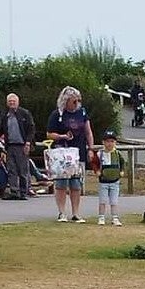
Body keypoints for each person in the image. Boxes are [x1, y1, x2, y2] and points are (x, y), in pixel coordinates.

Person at [46, 86, 95, 223]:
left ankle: (76, 213)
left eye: (78, 101)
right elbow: (49, 134)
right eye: (74, 101)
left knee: (76, 184)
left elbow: (88, 132)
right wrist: (62, 136)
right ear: (66, 101)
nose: (77, 103)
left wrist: (90, 148)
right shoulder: (57, 114)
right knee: (61, 184)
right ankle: (62, 212)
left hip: (78, 152)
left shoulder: (82, 113)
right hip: (62, 152)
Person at [0, 93, 35, 200]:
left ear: (18, 102)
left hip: (22, 145)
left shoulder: (24, 113)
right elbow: (1, 129)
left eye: (13, 101)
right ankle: (14, 191)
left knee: (23, 170)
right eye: (10, 101)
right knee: (11, 169)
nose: (12, 103)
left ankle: (24, 191)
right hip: (10, 146)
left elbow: (31, 129)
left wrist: (28, 142)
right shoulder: (5, 115)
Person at [95, 130, 125, 226]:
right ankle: (101, 217)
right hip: (103, 181)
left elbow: (122, 163)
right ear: (103, 142)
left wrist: (121, 171)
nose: (110, 144)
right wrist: (97, 171)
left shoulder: (117, 154)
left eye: (112, 141)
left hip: (115, 181)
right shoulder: (100, 154)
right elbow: (94, 163)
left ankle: (115, 217)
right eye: (107, 141)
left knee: (114, 201)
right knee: (102, 200)